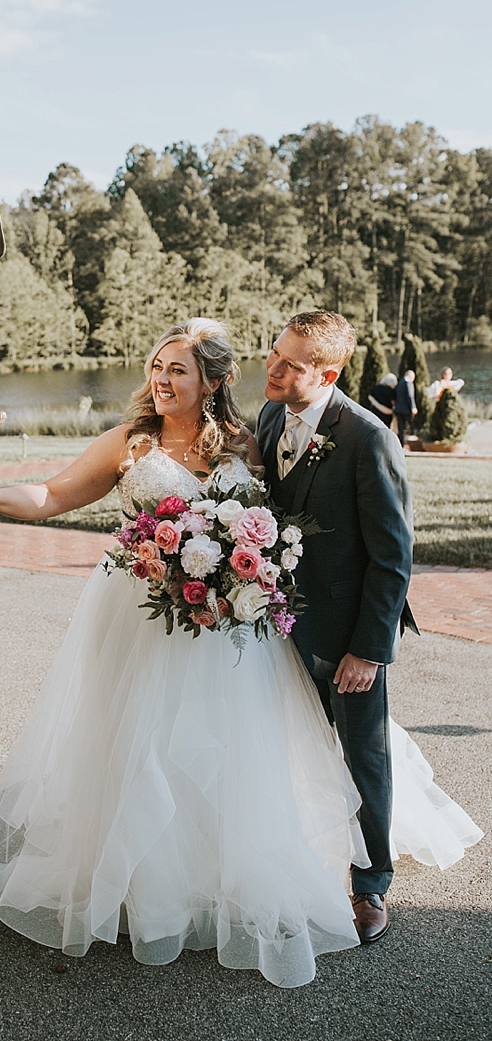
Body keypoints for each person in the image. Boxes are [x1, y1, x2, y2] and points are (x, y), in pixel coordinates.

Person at [0, 318, 480, 987]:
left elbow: (321, 534)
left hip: (234, 625)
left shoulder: (250, 440)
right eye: (157, 366)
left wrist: (266, 587)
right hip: (144, 619)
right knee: (141, 745)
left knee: (248, 751)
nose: (162, 379)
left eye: (178, 369)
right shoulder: (135, 441)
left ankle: (353, 880)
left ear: (212, 381)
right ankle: (143, 876)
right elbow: (56, 493)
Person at [256, 312, 480, 945]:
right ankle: (296, 859)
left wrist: (368, 651)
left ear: (327, 374)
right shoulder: (272, 415)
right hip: (276, 626)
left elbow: (392, 556)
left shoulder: (367, 437)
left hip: (344, 637)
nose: (272, 369)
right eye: (274, 353)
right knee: (285, 749)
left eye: (291, 364)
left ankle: (371, 882)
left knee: (364, 759)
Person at [393, 368, 418, 448]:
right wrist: (413, 407)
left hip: (399, 409)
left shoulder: (399, 383)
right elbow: (410, 396)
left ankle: (401, 445)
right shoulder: (408, 383)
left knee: (401, 428)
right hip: (407, 409)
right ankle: (415, 444)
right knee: (413, 426)